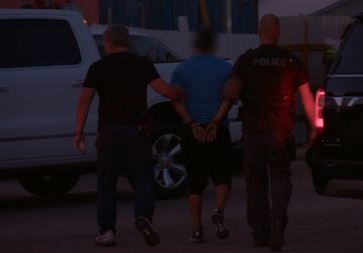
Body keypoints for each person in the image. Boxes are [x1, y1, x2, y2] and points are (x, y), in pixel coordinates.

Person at [73, 24, 183, 247]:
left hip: (108, 134)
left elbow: (84, 102)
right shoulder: (142, 65)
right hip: (136, 131)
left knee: (106, 184)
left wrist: (79, 132)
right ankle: (143, 217)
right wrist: (181, 92)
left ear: (109, 42)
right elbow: (165, 91)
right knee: (143, 180)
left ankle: (107, 232)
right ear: (127, 42)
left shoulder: (97, 68)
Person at [225, 14, 316, 251]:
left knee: (255, 184)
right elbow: (307, 97)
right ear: (277, 31)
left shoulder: (246, 60)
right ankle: (278, 223)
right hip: (281, 131)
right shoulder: (292, 61)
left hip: (254, 132)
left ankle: (259, 234)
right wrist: (315, 128)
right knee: (281, 179)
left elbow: (231, 93)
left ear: (259, 31)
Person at [170, 27, 233, 243]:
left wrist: (193, 123)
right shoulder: (225, 68)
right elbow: (229, 98)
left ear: (195, 45)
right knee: (222, 176)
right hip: (218, 129)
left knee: (195, 182)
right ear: (213, 45)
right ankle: (218, 211)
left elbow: (175, 100)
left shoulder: (182, 70)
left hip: (193, 132)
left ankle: (197, 229)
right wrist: (215, 121)